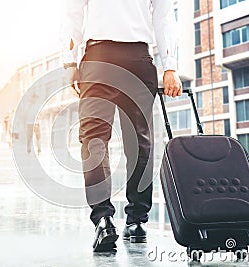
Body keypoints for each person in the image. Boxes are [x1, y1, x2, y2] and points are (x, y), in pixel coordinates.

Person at [61, 0, 182, 252]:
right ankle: (137, 221)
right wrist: (170, 66)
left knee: (94, 139)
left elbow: (72, 13)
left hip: (98, 59)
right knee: (139, 142)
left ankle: (103, 219)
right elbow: (164, 17)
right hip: (138, 58)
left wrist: (70, 62)